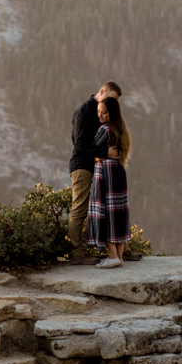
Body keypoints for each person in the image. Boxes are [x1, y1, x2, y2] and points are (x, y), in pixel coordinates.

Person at [67, 81, 120, 258]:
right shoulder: (85, 111)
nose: (111, 105)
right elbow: (80, 144)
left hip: (99, 168)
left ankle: (120, 251)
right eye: (111, 99)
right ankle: (77, 253)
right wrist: (106, 152)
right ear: (102, 92)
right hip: (82, 166)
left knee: (111, 207)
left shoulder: (101, 113)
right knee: (79, 209)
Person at [87, 95, 132, 267]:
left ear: (111, 113)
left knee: (103, 211)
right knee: (118, 212)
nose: (100, 116)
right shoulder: (122, 130)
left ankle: (112, 256)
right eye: (99, 112)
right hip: (118, 172)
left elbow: (91, 149)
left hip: (104, 173)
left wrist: (100, 154)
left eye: (103, 113)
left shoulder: (104, 130)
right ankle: (119, 257)